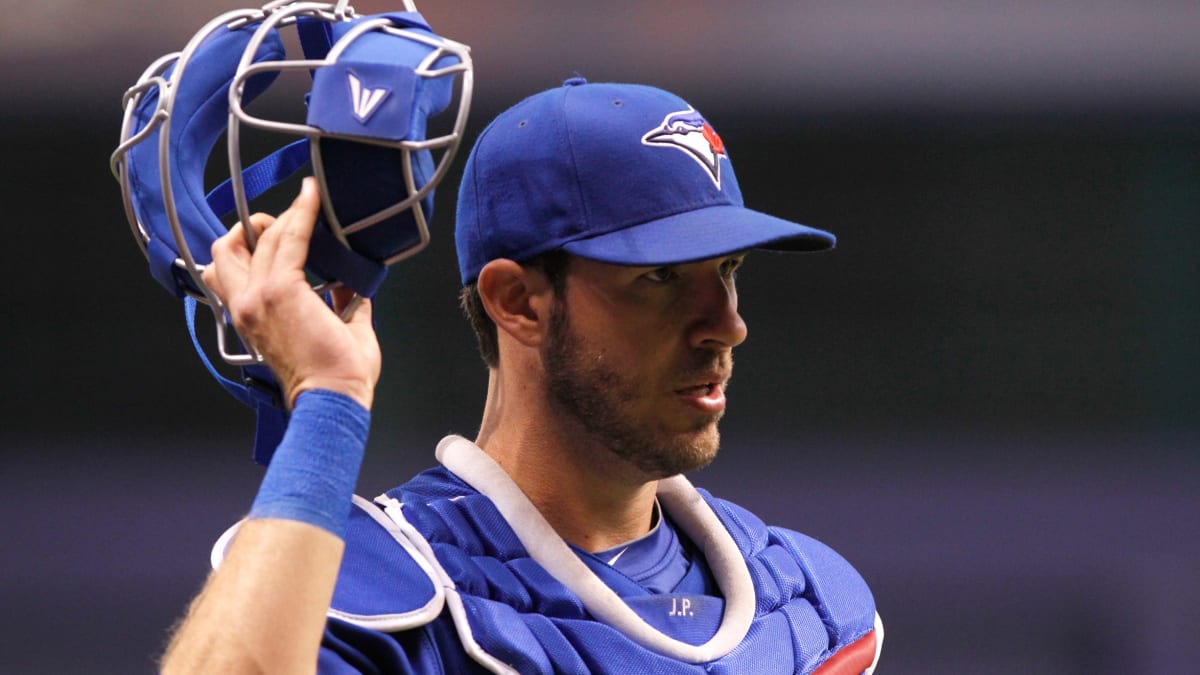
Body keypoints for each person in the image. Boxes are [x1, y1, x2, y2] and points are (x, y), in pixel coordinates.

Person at [160, 78, 883, 674]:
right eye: (660, 277)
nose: (725, 324)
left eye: (728, 270)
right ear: (517, 301)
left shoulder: (814, 611)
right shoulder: (393, 599)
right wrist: (328, 400)